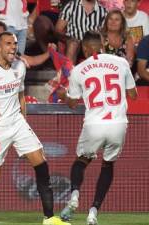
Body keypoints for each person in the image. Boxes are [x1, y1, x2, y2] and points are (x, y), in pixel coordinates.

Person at [0, 31, 71, 225]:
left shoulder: (19, 66)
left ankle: (50, 218)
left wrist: (23, 121)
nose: (12, 47)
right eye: (8, 44)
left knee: (41, 165)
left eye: (15, 44)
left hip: (17, 123)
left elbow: (20, 96)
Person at [59, 31, 137, 225]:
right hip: (118, 124)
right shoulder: (121, 62)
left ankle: (75, 195)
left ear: (84, 49)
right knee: (107, 165)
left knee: (81, 161)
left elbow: (73, 103)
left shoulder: (79, 69)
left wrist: (63, 95)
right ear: (103, 43)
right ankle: (93, 212)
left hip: (94, 124)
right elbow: (133, 95)